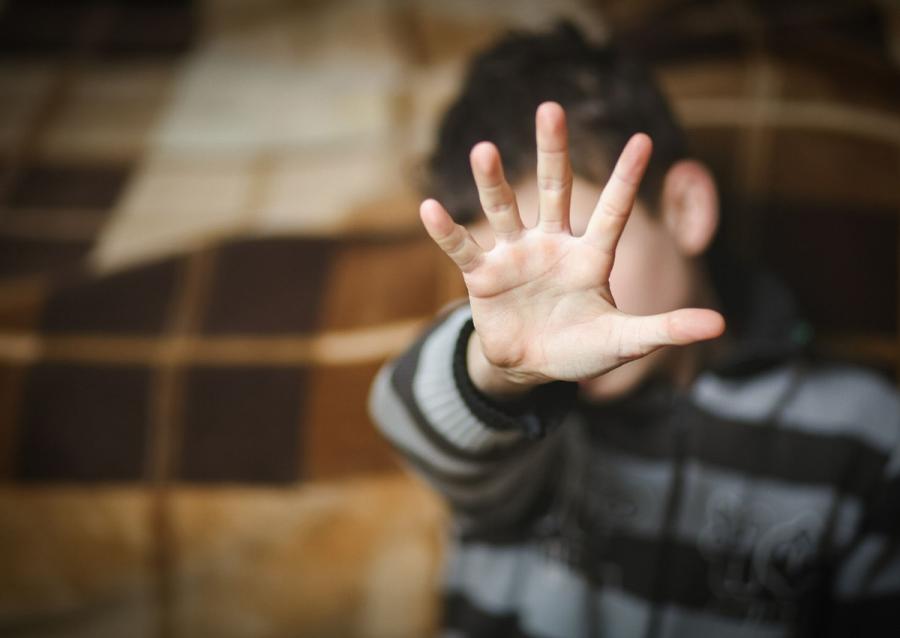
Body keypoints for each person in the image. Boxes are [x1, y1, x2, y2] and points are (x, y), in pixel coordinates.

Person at [367, 22, 900, 638]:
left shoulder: (869, 434)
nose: (550, 314)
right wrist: (499, 370)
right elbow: (408, 415)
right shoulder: (519, 421)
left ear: (684, 210)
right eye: (514, 288)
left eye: (569, 250)